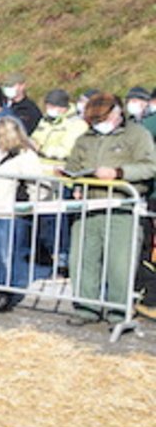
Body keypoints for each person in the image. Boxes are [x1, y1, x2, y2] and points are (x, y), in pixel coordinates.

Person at [63, 93, 156, 324]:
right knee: (83, 259)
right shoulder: (86, 138)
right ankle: (86, 308)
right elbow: (73, 164)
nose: (96, 126)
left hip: (122, 208)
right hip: (88, 207)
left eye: (100, 120)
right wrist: (71, 180)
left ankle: (118, 312)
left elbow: (149, 167)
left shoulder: (138, 135)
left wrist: (119, 173)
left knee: (120, 263)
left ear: (116, 114)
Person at [0, 118, 46, 313]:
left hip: (12, 211)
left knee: (7, 254)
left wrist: (30, 205)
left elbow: (38, 184)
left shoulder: (25, 156)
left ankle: (5, 293)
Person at [32, 89, 89, 276]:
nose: (49, 109)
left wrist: (41, 149)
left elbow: (67, 149)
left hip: (63, 178)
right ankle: (48, 255)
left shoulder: (76, 124)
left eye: (52, 106)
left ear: (63, 107)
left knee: (60, 221)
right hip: (41, 177)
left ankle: (63, 260)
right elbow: (35, 138)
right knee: (45, 220)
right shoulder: (45, 121)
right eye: (47, 105)